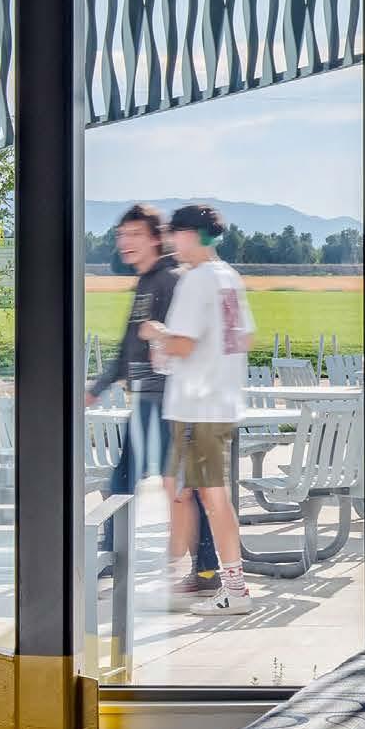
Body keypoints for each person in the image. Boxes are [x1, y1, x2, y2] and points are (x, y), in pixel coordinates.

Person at [85, 203, 219, 588]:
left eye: (135, 235)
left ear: (156, 239)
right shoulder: (147, 282)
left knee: (175, 488)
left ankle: (206, 568)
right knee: (129, 482)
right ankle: (118, 557)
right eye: (121, 235)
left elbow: (185, 342)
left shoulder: (170, 281)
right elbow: (128, 349)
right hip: (147, 401)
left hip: (166, 402)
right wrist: (96, 388)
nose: (125, 242)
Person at [140, 203, 254, 617]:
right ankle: (177, 579)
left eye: (176, 232)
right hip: (216, 400)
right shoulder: (229, 278)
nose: (171, 240)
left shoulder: (197, 280)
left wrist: (156, 333)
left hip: (197, 405)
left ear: (193, 235)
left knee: (209, 495)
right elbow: (245, 338)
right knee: (181, 490)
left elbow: (184, 343)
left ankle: (234, 588)